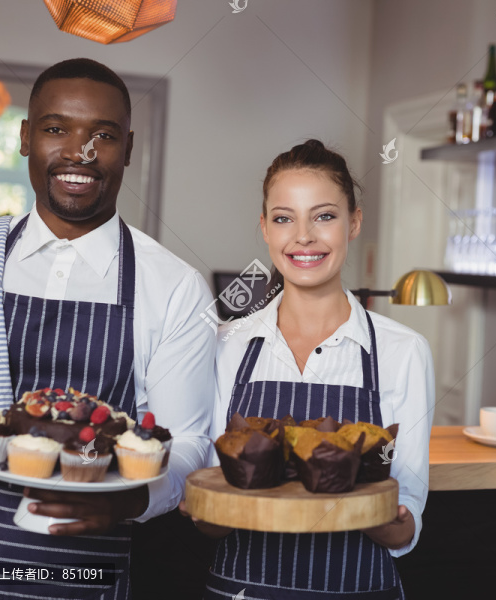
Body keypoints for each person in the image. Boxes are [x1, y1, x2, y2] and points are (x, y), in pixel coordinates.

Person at [0, 58, 215, 599]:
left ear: (128, 148)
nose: (79, 153)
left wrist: (132, 500)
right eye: (57, 129)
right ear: (25, 137)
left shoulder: (174, 286)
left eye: (102, 135)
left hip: (84, 566)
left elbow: (190, 441)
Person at [185, 139, 435, 599]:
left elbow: (409, 515)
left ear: (354, 223)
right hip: (243, 587)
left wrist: (388, 520)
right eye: (284, 218)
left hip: (358, 588)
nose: (303, 236)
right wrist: (205, 512)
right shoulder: (226, 344)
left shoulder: (404, 351)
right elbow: (212, 500)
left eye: (324, 216)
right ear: (264, 228)